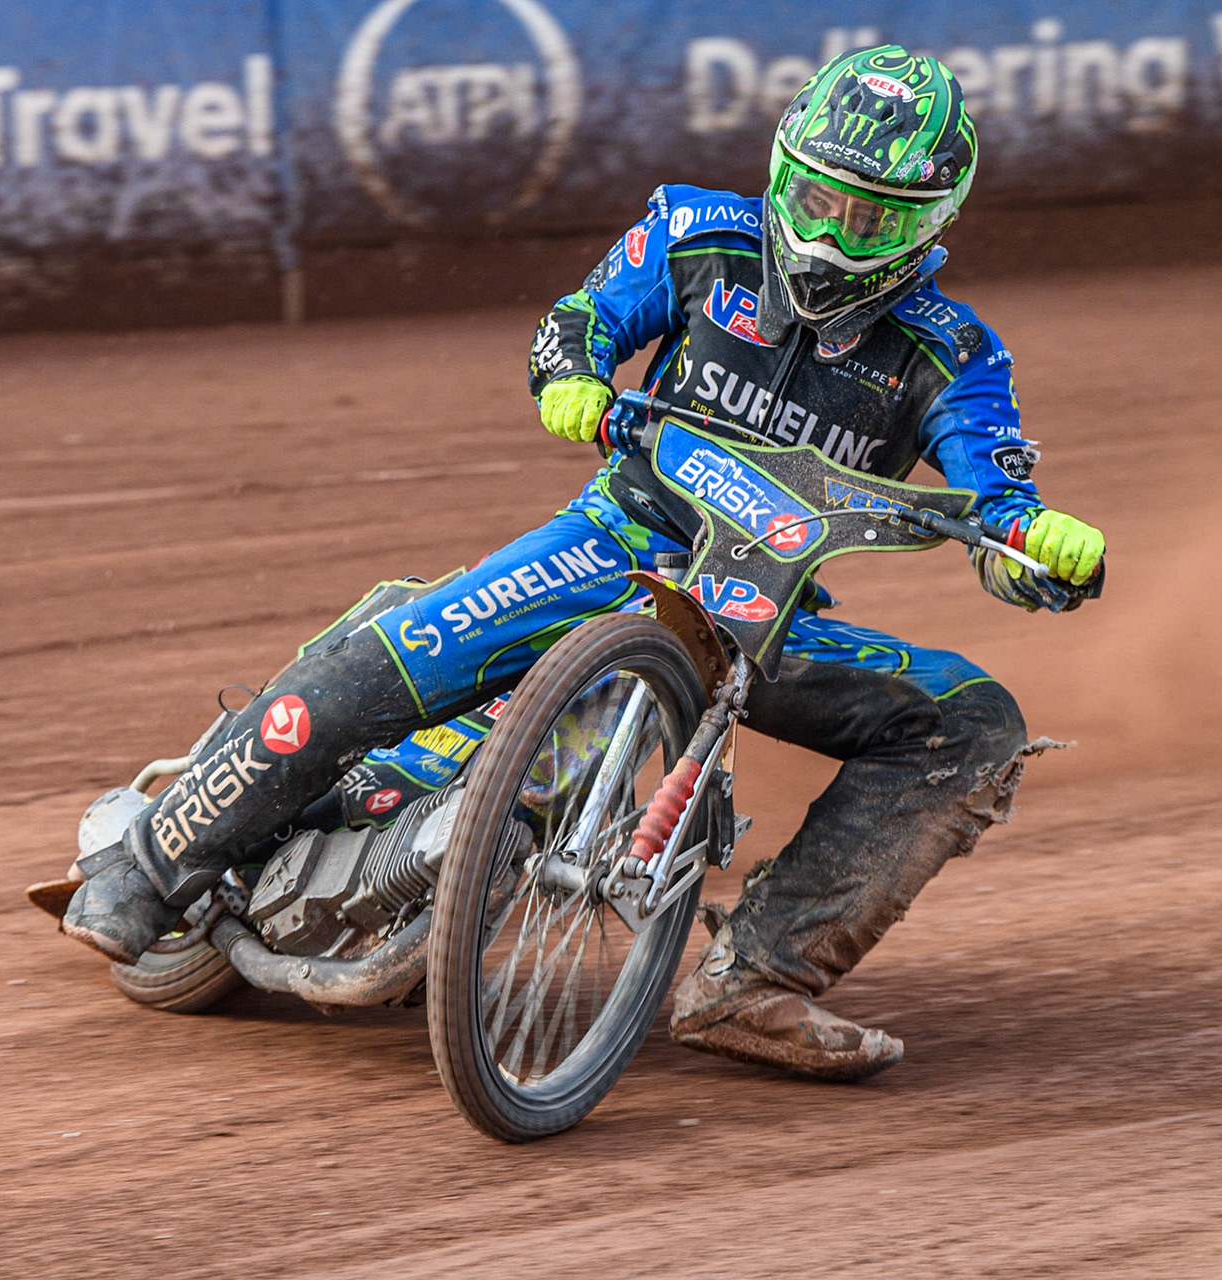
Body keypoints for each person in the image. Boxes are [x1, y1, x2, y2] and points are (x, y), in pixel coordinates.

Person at [56, 46, 1105, 1082]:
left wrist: (1039, 552)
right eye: (816, 199)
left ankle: (753, 979)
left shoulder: (956, 353)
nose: (830, 235)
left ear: (928, 225)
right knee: (391, 654)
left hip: (764, 605)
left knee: (973, 718)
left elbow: (999, 506)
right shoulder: (699, 231)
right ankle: (149, 863)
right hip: (614, 537)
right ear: (782, 169)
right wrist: (574, 377)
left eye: (868, 219)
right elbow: (579, 320)